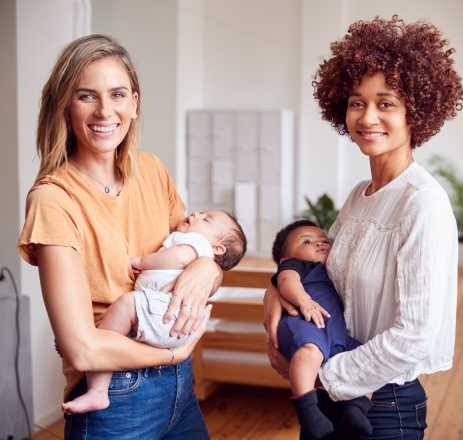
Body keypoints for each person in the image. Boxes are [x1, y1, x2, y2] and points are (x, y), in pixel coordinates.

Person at [264, 16, 463, 439]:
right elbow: (320, 276)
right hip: (334, 397)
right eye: (357, 102)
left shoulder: (422, 203)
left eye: (386, 103)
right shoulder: (359, 195)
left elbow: (415, 336)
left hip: (383, 403)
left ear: (417, 111)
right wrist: (278, 294)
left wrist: (322, 375)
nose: (368, 116)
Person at [18, 34, 222, 439]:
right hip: (115, 395)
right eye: (86, 96)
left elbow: (194, 250)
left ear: (135, 102)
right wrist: (172, 352)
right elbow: (80, 348)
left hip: (180, 389)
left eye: (117, 94)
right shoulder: (53, 200)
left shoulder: (151, 171)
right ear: (65, 105)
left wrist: (207, 266)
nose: (105, 111)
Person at [62, 209, 247, 415]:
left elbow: (177, 257)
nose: (195, 214)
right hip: (168, 321)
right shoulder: (196, 246)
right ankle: (99, 388)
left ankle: (98, 389)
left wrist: (141, 261)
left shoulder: (195, 244)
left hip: (166, 312)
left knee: (123, 307)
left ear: (218, 248)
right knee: (123, 316)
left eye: (206, 219)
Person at [270, 220, 371, 439]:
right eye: (307, 241)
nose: (319, 243)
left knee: (365, 358)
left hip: (335, 333)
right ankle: (308, 412)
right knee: (310, 352)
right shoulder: (296, 265)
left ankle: (355, 408)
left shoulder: (334, 270)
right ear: (286, 258)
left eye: (323, 240)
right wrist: (304, 300)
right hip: (305, 323)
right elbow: (286, 281)